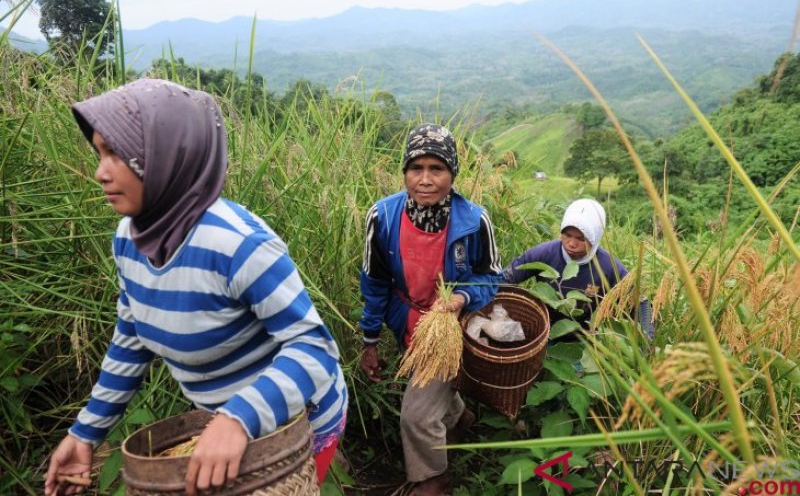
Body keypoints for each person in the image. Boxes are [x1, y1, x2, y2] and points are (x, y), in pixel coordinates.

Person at [44, 79, 347, 496]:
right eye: (99, 152)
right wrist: (85, 434)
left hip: (294, 425)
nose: (100, 172)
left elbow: (316, 349)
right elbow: (132, 337)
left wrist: (239, 417)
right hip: (218, 426)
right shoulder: (130, 240)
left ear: (168, 154)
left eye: (116, 152)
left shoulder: (237, 246)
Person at [359, 123, 501, 495]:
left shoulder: (475, 221)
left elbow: (491, 278)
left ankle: (432, 480)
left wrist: (459, 299)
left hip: (447, 329)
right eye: (415, 168)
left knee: (417, 417)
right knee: (437, 396)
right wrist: (369, 340)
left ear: (452, 174)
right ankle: (461, 420)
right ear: (404, 172)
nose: (425, 179)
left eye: (436, 169)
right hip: (406, 321)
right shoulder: (383, 217)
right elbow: (374, 283)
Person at [502, 198, 654, 340]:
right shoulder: (545, 253)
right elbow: (506, 278)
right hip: (542, 332)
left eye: (581, 239)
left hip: (586, 339)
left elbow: (641, 302)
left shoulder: (608, 267)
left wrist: (648, 340)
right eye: (567, 235)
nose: (571, 244)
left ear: (595, 238)